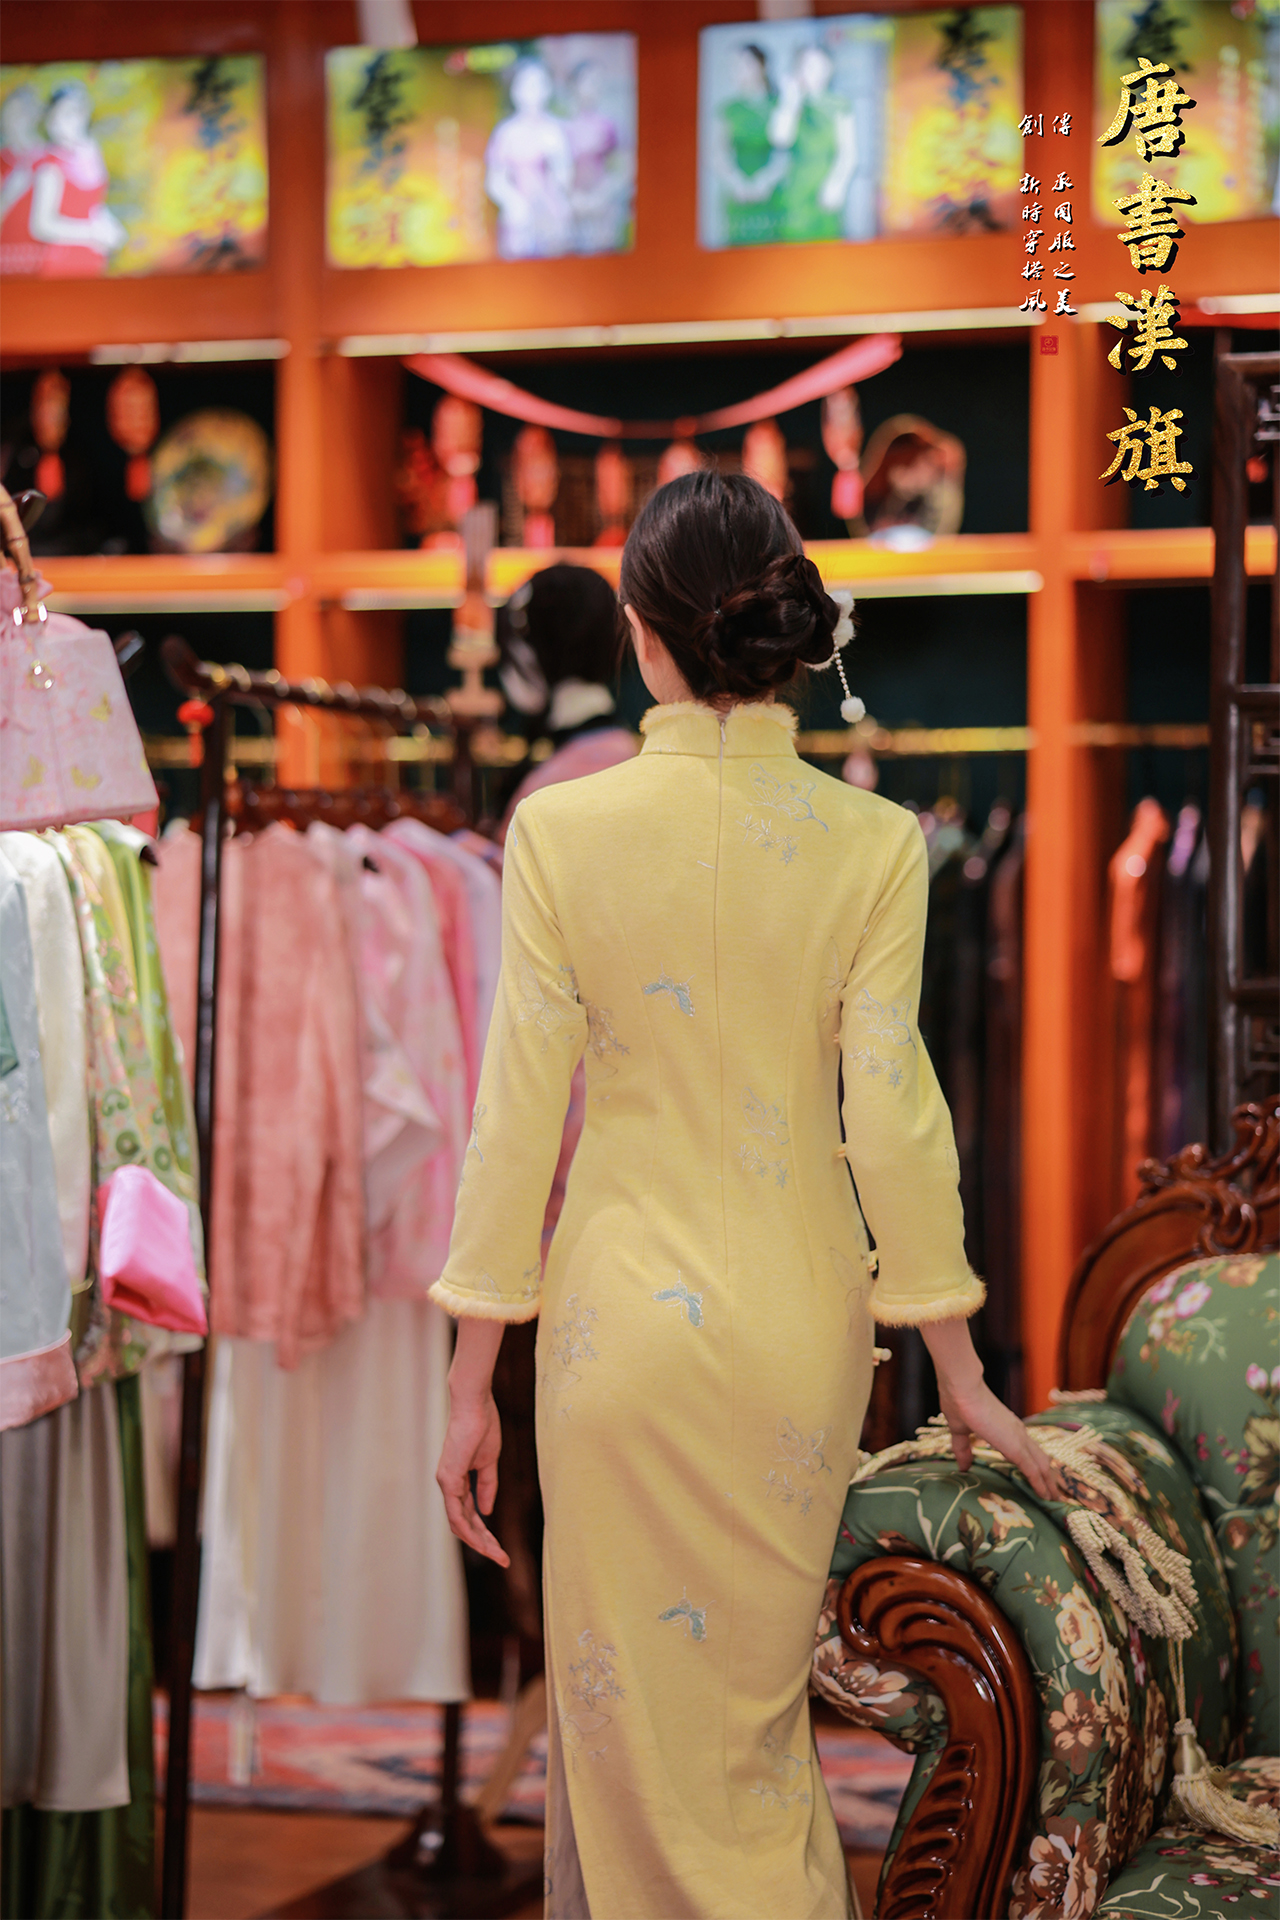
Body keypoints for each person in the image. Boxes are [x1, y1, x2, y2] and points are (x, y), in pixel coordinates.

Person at [432, 471, 1057, 1920]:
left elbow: (514, 1117)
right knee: (760, 1741)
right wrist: (959, 1365)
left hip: (613, 1340)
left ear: (641, 633)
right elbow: (892, 1117)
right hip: (795, 1329)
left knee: (624, 1739)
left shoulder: (560, 832)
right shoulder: (873, 842)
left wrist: (471, 1379)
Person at [28, 81, 125, 277]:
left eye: (77, 112)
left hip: (93, 258)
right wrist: (93, 233)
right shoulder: (50, 165)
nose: (71, 120)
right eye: (64, 114)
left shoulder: (90, 154)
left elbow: (94, 203)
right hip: (64, 261)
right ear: (50, 122)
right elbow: (41, 225)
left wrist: (113, 228)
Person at [485, 58, 573, 262]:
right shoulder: (506, 132)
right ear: (515, 91)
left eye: (540, 84)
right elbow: (495, 181)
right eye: (527, 85)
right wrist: (516, 204)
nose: (534, 91)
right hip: (518, 223)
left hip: (552, 220)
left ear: (548, 89)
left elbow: (565, 175)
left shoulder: (556, 130)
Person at [769, 44, 856, 244]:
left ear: (829, 69)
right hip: (793, 189)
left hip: (826, 186)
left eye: (820, 66)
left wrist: (837, 184)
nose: (815, 73)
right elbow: (780, 139)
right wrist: (790, 101)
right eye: (807, 66)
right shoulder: (787, 103)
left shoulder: (839, 104)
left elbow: (848, 153)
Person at [712, 43, 786, 248]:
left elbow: (786, 152)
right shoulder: (729, 109)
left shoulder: (779, 106)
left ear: (762, 66)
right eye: (734, 66)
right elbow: (718, 154)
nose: (738, 71)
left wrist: (765, 182)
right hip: (738, 197)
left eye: (744, 65)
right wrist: (737, 183)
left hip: (773, 196)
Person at [0, 86, 46, 276]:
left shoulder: (50, 158)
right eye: (8, 114)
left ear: (34, 116)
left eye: (20, 114)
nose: (12, 121)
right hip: (5, 263)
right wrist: (9, 193)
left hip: (45, 264)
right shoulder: (2, 160)